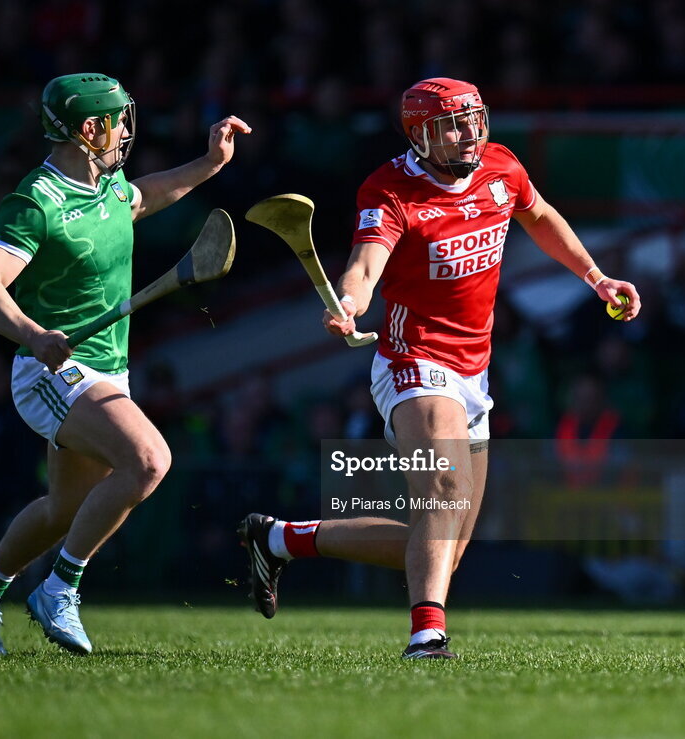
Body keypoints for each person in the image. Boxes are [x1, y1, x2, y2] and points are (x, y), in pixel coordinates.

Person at [238, 77, 639, 659]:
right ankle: (427, 638)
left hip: (475, 370)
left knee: (445, 544)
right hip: (414, 361)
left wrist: (597, 278)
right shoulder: (390, 190)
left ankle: (277, 539)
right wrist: (350, 302)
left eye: (473, 119)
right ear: (418, 134)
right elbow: (365, 263)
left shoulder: (500, 167)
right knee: (443, 495)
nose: (468, 134)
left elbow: (542, 215)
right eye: (451, 124)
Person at [0, 73, 250, 655]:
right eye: (118, 120)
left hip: (106, 371)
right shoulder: (37, 202)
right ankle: (59, 589)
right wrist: (34, 334)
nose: (125, 131)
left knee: (65, 510)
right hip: (49, 373)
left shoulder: (108, 189)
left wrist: (210, 163)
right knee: (148, 459)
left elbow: (147, 196)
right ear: (91, 129)